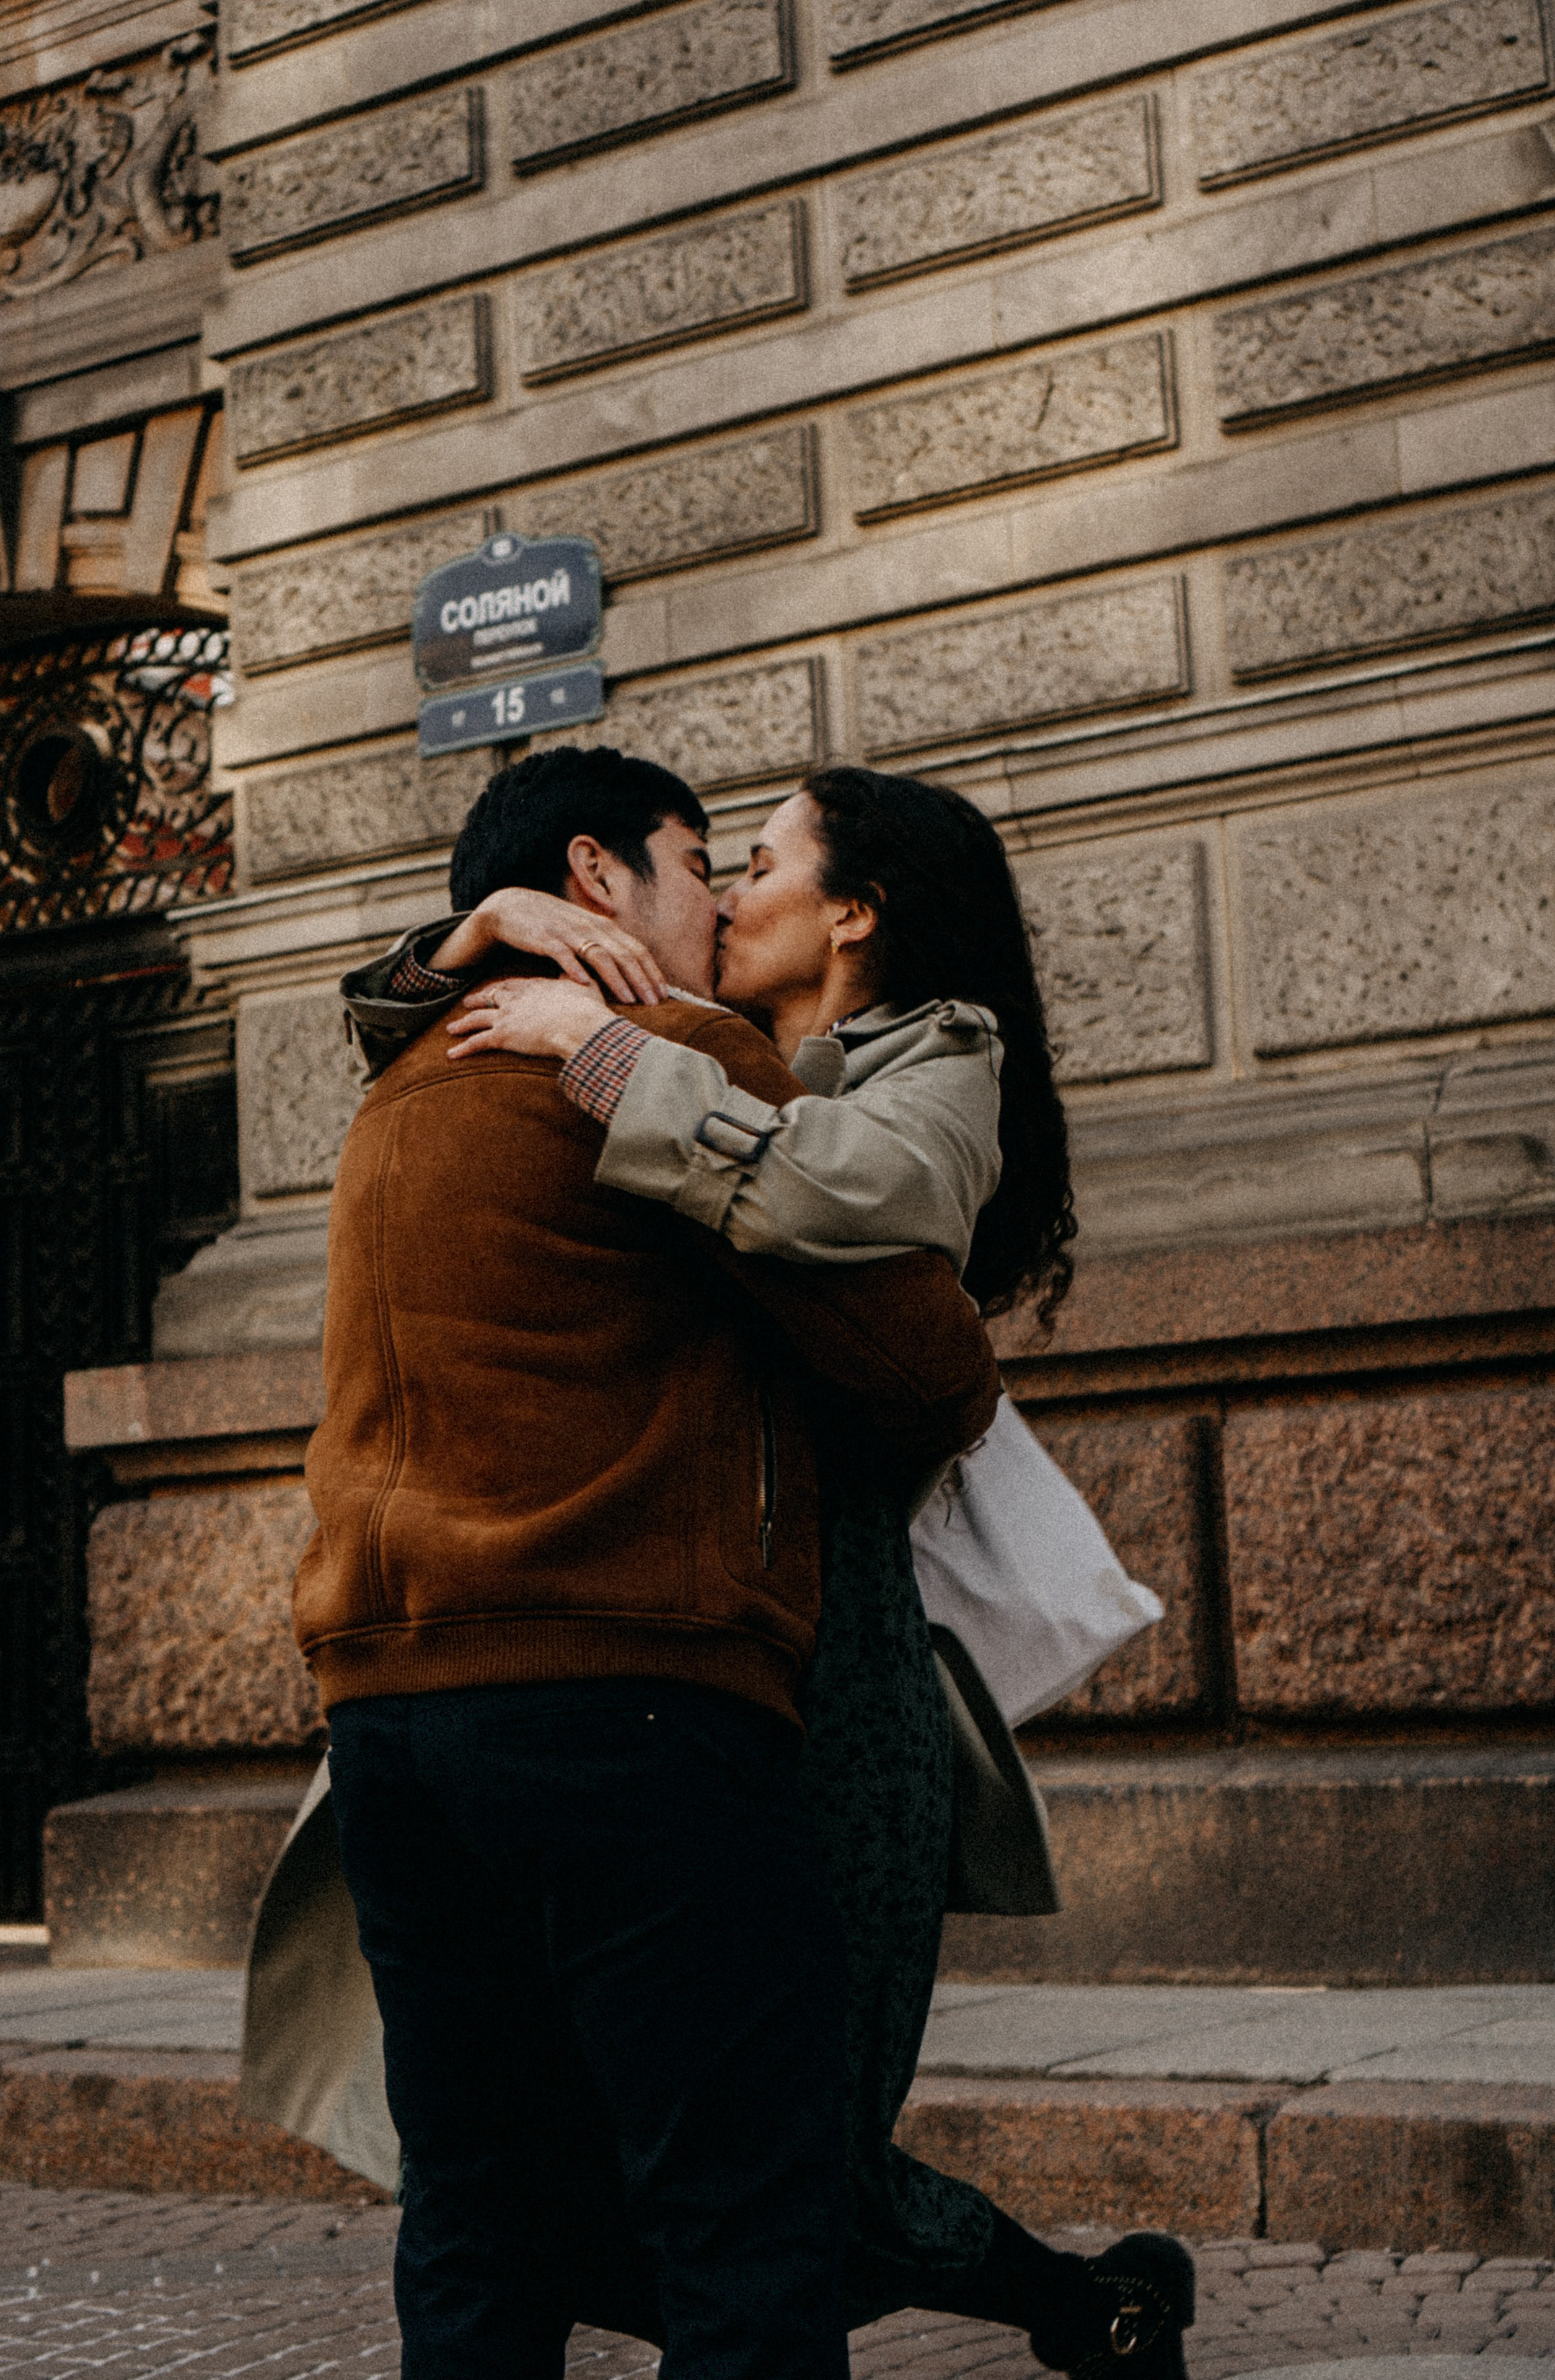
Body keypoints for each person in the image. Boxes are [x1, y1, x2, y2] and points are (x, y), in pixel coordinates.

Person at [288, 747, 1008, 2380]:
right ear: (601, 880)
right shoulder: (668, 1054)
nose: (723, 898)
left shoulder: (394, 1098)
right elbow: (926, 1362)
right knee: (741, 2224)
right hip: (633, 1710)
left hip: (391, 1728)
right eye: (701, 861)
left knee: (475, 2213)